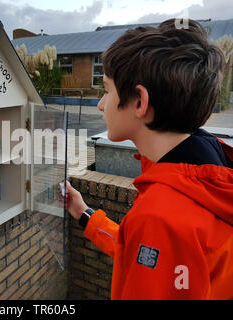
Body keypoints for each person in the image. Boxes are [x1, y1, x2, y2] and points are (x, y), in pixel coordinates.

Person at [64, 18, 233, 299]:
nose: (100, 104)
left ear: (140, 102)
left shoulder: (161, 215)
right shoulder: (211, 171)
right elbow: (148, 257)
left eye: (107, 90)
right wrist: (84, 215)